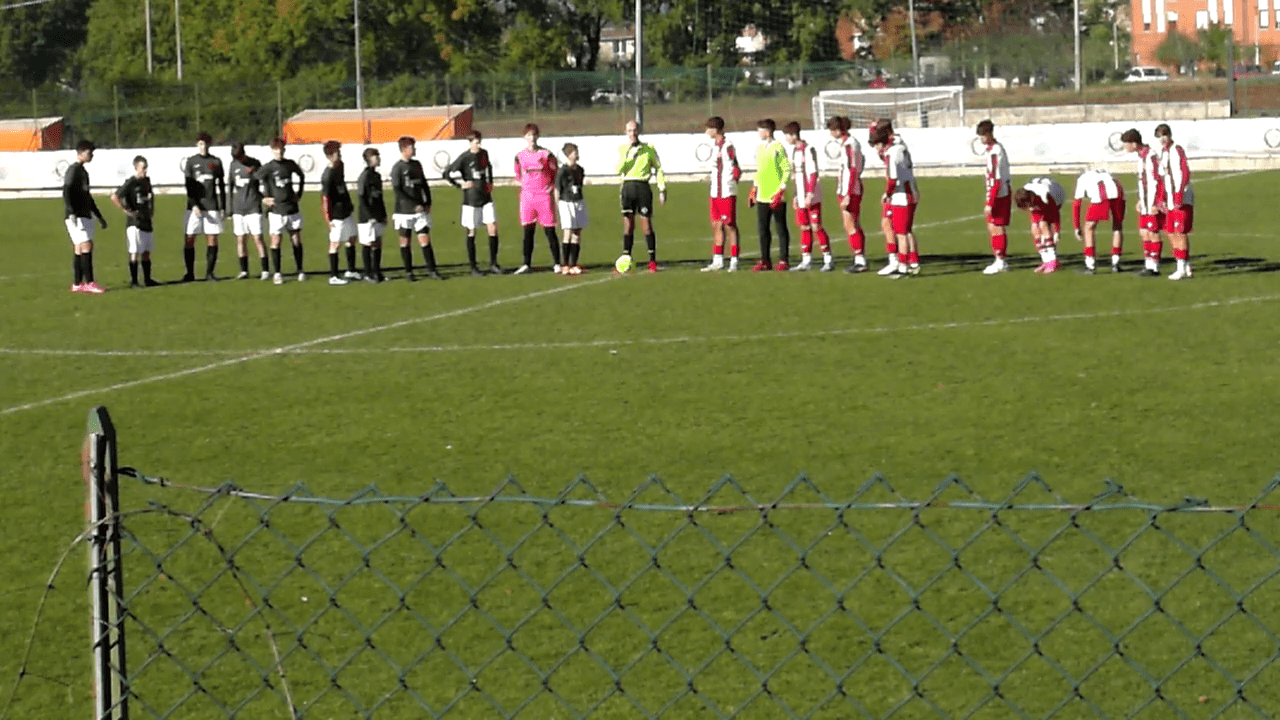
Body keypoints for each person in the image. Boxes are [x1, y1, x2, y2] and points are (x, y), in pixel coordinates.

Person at [444, 130, 501, 276]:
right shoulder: (464, 157)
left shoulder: (484, 154)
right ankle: (473, 267)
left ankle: (494, 263)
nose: (478, 145)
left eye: (479, 141)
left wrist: (490, 182)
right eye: (476, 142)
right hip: (471, 199)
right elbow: (447, 173)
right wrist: (460, 184)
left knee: (492, 227)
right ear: (470, 143)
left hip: (486, 197)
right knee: (471, 231)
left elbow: (488, 167)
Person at [616, 119, 667, 273]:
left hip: (642, 187)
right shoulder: (623, 149)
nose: (632, 133)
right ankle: (626, 257)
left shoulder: (648, 148)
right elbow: (618, 169)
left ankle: (652, 260)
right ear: (626, 132)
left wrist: (662, 188)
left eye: (635, 130)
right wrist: (629, 157)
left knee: (646, 224)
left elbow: (658, 168)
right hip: (628, 187)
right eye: (630, 131)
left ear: (639, 131)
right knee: (628, 224)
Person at [782, 121, 833, 272]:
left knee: (816, 226)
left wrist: (810, 193)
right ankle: (806, 259)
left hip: (812, 196)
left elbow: (812, 173)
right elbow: (796, 176)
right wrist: (796, 195)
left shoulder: (808, 150)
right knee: (804, 227)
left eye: (787, 135)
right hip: (801, 195)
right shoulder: (794, 151)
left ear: (793, 135)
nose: (786, 139)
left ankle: (828, 259)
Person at [870, 125, 919, 277]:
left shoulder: (892, 152)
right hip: (908, 192)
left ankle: (902, 265)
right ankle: (911, 261)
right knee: (903, 231)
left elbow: (892, 178)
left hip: (902, 195)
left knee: (901, 233)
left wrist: (887, 194)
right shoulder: (898, 147)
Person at [389, 135, 440, 281]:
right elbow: (398, 190)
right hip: (404, 211)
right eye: (412, 147)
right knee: (405, 241)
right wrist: (413, 205)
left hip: (420, 211)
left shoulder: (416, 164)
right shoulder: (397, 168)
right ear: (404, 149)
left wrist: (427, 202)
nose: (414, 149)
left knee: (424, 239)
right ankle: (408, 272)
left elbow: (423, 184)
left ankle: (432, 270)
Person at [257, 137, 307, 285]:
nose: (279, 152)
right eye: (276, 149)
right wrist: (263, 198)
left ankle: (300, 270)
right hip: (276, 210)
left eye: (281, 149)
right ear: (272, 150)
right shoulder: (268, 167)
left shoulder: (290, 164)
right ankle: (277, 273)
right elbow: (253, 181)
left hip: (292, 209)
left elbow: (301, 176)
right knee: (276, 241)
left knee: (296, 240)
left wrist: (299, 193)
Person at [514, 124, 562, 274]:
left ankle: (557, 263)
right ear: (524, 138)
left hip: (544, 197)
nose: (531, 138)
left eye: (534, 135)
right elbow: (518, 174)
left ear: (538, 136)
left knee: (549, 230)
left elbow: (556, 172)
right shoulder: (519, 156)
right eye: (528, 135)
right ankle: (526, 264)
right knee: (528, 231)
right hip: (528, 197)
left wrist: (552, 185)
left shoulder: (546, 154)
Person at [62, 140, 108, 294]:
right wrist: (71, 211)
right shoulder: (73, 170)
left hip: (84, 213)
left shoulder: (83, 172)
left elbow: (87, 196)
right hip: (78, 215)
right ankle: (89, 282)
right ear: (80, 153)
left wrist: (99, 215)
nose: (91, 155)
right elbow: (66, 190)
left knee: (79, 248)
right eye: (89, 152)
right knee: (86, 245)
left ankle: (77, 283)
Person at [182, 131, 227, 282]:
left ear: (209, 145)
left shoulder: (216, 162)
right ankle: (189, 273)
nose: (203, 147)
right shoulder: (191, 162)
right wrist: (194, 204)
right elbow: (188, 186)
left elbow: (221, 186)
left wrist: (223, 207)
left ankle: (209, 273)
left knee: (212, 239)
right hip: (194, 207)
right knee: (189, 238)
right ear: (197, 145)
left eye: (205, 144)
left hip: (212, 206)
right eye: (200, 144)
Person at [1121, 128, 1166, 277]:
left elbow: (1160, 179)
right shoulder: (1141, 157)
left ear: (1134, 143)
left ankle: (1155, 267)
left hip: (1152, 201)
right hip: (1145, 202)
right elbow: (1144, 181)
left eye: (1126, 143)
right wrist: (1141, 200)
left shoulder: (1151, 156)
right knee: (1144, 233)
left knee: (1153, 233)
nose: (1125, 147)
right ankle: (1148, 264)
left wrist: (1158, 202)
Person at [111, 155, 159, 288]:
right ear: (136, 168)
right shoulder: (131, 182)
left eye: (146, 168)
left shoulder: (147, 181)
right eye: (142, 168)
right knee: (135, 252)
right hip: (135, 223)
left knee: (147, 252)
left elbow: (150, 197)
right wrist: (126, 210)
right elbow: (115, 196)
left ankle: (148, 279)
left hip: (146, 220)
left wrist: (151, 209)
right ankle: (134, 281)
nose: (144, 171)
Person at [1155, 123, 1195, 280]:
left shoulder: (1177, 150)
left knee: (1180, 231)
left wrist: (1179, 193)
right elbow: (1162, 178)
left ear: (1170, 135)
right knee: (1171, 231)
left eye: (1164, 135)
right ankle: (1186, 264)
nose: (1162, 139)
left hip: (1181, 197)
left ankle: (1181, 268)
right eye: (1159, 136)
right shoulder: (1162, 154)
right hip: (1170, 198)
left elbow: (1185, 171)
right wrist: (1161, 198)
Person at [749, 118, 790, 271]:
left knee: (780, 228)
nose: (759, 133)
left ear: (767, 131)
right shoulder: (759, 148)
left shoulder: (778, 147)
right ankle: (765, 260)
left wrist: (781, 189)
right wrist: (754, 188)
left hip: (776, 194)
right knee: (763, 229)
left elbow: (785, 169)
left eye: (760, 130)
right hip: (762, 196)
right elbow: (759, 171)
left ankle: (783, 259)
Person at [828, 116, 868, 273]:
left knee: (850, 224)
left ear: (838, 130)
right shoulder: (848, 144)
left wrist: (849, 193)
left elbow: (853, 169)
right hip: (846, 189)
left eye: (831, 130)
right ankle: (859, 258)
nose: (830, 133)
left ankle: (860, 260)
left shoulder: (850, 145)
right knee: (852, 223)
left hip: (850, 190)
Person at [701, 116, 741, 272]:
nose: (706, 132)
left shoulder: (728, 146)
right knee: (716, 224)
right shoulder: (715, 147)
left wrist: (731, 183)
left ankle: (734, 259)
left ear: (714, 130)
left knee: (730, 225)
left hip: (726, 192)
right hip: (715, 192)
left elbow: (735, 167)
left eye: (708, 128)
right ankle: (717, 260)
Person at [1070, 167, 1126, 274]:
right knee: (1117, 226)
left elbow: (1077, 204)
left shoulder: (1082, 179)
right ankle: (1116, 263)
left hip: (1101, 194)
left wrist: (1077, 227)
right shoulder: (1105, 172)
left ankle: (1090, 264)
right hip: (1119, 192)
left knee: (1089, 228)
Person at [228, 142, 269, 280]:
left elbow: (264, 179)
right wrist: (229, 209)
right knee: (241, 239)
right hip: (239, 208)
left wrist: (255, 172)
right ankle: (244, 270)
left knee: (257, 238)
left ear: (243, 154)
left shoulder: (255, 163)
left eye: (239, 157)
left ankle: (265, 270)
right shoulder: (233, 166)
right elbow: (230, 186)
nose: (238, 160)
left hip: (253, 206)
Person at [976, 119, 1013, 275]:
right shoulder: (992, 150)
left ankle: (1000, 261)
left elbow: (996, 178)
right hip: (996, 191)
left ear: (989, 134)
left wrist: (990, 202)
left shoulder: (996, 151)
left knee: (996, 226)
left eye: (983, 135)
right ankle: (999, 259)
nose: (981, 139)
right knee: (992, 226)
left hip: (999, 193)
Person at [320, 140, 356, 286]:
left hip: (346, 210)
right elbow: (325, 198)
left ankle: (351, 270)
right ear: (330, 155)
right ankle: (333, 275)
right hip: (336, 213)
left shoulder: (340, 166)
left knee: (352, 238)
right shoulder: (327, 175)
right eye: (336, 152)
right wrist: (327, 217)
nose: (339, 154)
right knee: (335, 243)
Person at [1012, 177, 1066, 273]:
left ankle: (1053, 261)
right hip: (1039, 197)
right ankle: (1045, 260)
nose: (1029, 209)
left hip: (1057, 195)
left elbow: (1055, 213)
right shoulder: (1028, 195)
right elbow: (1033, 215)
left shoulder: (1045, 196)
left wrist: (1057, 231)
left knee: (1043, 225)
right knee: (1035, 229)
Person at [555, 143, 588, 275]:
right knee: (567, 232)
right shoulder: (562, 171)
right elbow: (557, 189)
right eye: (574, 152)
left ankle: (574, 264)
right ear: (568, 155)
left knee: (577, 233)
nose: (576, 155)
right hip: (566, 202)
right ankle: (565, 264)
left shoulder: (580, 170)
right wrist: (558, 206)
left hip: (578, 201)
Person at [356, 147, 387, 283]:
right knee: (368, 243)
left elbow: (380, 198)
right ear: (368, 159)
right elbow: (361, 197)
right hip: (367, 216)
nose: (378, 159)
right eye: (375, 156)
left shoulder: (377, 176)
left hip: (378, 214)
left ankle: (377, 272)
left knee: (378, 243)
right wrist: (369, 215)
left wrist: (383, 214)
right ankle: (368, 273)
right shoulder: (365, 176)